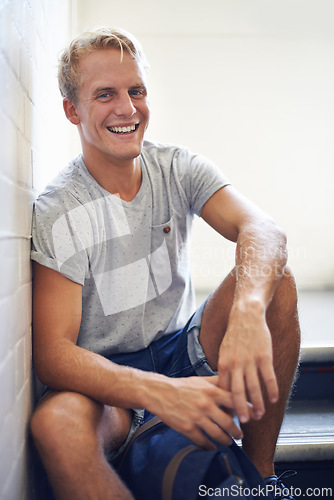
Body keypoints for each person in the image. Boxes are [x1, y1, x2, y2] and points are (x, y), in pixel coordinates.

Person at [30, 27, 300, 500]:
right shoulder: (60, 208)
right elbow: (53, 354)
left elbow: (264, 230)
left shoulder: (177, 167)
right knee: (54, 424)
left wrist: (247, 315)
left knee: (276, 280)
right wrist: (154, 391)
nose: (128, 109)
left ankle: (260, 478)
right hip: (106, 384)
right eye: (105, 95)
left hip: (182, 350)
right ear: (72, 110)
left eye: (136, 90)